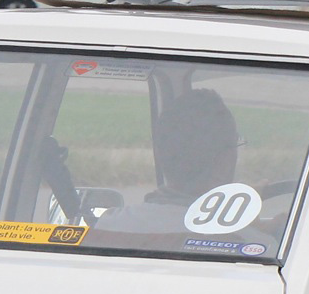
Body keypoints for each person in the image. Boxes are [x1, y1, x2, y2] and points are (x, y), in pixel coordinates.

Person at [96, 89, 242, 233]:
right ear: (224, 162)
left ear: (159, 154)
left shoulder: (107, 226)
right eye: (236, 143)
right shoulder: (244, 243)